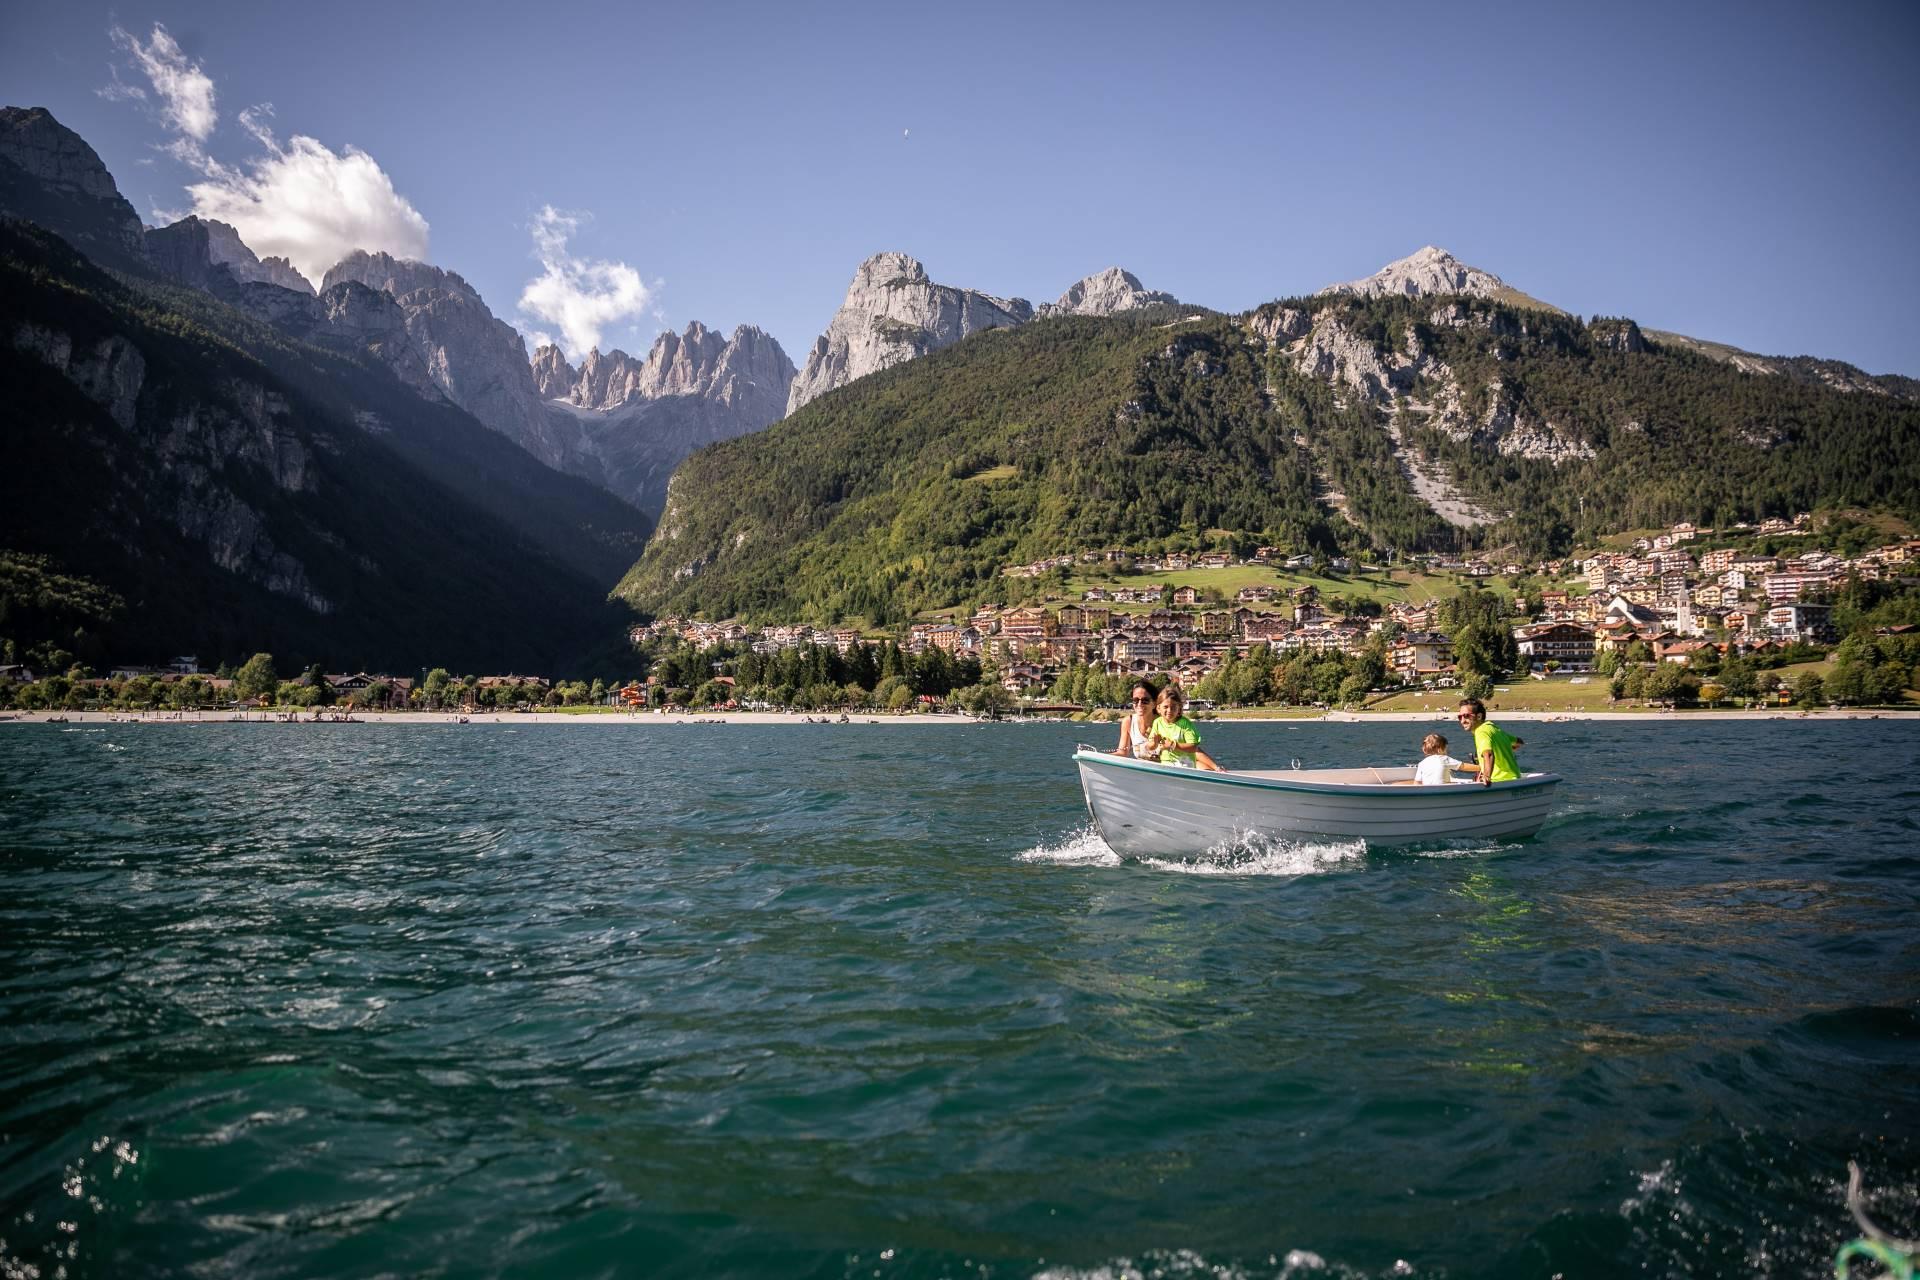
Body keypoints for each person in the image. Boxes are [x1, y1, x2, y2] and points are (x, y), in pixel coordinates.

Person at [1147, 684, 1223, 771]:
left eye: (1173, 707)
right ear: (1158, 708)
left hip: (1185, 766)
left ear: (1179, 709)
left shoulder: (1185, 724)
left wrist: (1173, 745)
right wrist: (1154, 743)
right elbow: (1150, 747)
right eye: (1165, 707)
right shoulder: (1157, 723)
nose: (1169, 710)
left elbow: (1193, 747)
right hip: (1166, 766)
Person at [1456, 698, 1523, 785]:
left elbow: (1488, 754)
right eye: (1460, 717)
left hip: (1499, 782)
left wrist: (1486, 777)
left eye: (1466, 716)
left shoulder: (1481, 731)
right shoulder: (1494, 728)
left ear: (1479, 716)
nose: (1462, 721)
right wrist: (1505, 748)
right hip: (1514, 779)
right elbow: (1519, 741)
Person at [1114, 681, 1160, 759]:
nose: (1139, 704)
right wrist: (1099, 757)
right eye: (1135, 700)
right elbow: (1122, 752)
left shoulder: (1165, 722)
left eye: (1145, 700)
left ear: (1154, 704)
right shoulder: (1128, 722)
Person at [1412, 731, 1478, 785]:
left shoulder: (1422, 763)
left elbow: (1417, 783)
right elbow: (1463, 766)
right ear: (1440, 749)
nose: (1447, 750)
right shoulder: (1444, 759)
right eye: (1446, 748)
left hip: (1428, 791)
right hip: (1443, 789)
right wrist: (1481, 767)